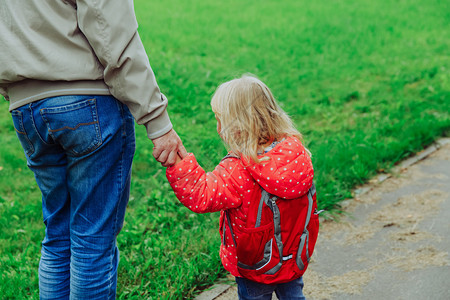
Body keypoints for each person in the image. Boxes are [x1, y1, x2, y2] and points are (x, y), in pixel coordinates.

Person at [0, 1, 186, 299]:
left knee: (57, 235)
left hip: (27, 110)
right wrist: (158, 122)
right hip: (88, 101)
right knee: (92, 241)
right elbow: (112, 31)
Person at [166, 75, 319, 300]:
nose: (218, 126)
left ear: (236, 127)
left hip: (256, 265)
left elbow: (201, 194)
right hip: (292, 255)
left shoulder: (238, 170)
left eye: (219, 119)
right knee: (294, 295)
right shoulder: (295, 153)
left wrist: (179, 163)